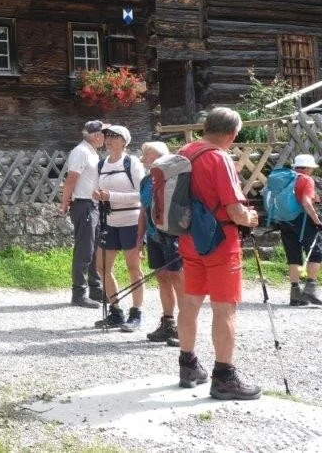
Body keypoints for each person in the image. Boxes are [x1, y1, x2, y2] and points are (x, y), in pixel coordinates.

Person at [175, 107, 260, 400]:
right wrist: (250, 218)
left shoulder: (185, 151)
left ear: (206, 126)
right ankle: (224, 377)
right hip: (220, 242)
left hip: (189, 240)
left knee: (190, 302)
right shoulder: (218, 157)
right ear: (232, 133)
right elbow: (236, 212)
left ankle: (188, 365)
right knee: (225, 308)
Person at [91, 125, 146, 331]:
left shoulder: (132, 163)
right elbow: (96, 191)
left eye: (115, 136)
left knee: (133, 268)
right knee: (101, 266)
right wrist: (97, 196)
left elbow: (141, 195)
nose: (109, 139)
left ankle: (136, 313)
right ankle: (116, 312)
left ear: (125, 141)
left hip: (131, 221)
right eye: (107, 136)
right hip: (109, 221)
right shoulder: (101, 164)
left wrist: (111, 196)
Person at [136, 141, 184, 346]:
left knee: (178, 278)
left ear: (157, 157)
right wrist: (140, 240)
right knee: (163, 277)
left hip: (172, 235)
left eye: (146, 154)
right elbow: (143, 212)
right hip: (154, 236)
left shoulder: (174, 179)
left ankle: (185, 326)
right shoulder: (146, 181)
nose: (142, 158)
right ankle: (168, 322)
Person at [60, 120, 105, 308]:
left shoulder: (90, 152)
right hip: (84, 204)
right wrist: (65, 202)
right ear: (95, 136)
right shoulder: (81, 152)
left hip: (92, 205)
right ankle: (79, 292)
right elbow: (71, 178)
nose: (106, 137)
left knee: (94, 249)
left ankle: (95, 289)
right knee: (85, 250)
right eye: (103, 133)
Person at [274, 154, 322, 306]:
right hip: (303, 220)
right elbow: (306, 203)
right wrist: (318, 222)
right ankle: (310, 289)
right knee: (316, 253)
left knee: (293, 255)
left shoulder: (284, 178)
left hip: (284, 220)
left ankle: (295, 294)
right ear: (307, 168)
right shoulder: (306, 179)